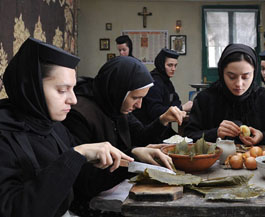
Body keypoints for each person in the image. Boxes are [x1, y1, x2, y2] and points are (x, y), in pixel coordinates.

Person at [0, 37, 133, 217]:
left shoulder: (54, 127)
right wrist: (75, 156)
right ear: (32, 87)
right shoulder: (4, 135)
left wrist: (132, 161)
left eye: (73, 89)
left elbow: (85, 183)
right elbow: (16, 209)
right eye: (62, 90)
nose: (73, 99)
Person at [62, 56, 186, 215]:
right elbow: (85, 180)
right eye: (135, 97)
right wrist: (132, 160)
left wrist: (162, 121)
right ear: (118, 89)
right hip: (88, 204)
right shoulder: (79, 114)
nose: (139, 105)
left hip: (115, 189)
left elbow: (140, 136)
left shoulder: (115, 104)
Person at [183, 44, 265, 146]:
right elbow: (188, 137)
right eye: (231, 76)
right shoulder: (205, 100)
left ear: (254, 73)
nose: (239, 84)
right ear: (221, 72)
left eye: (245, 77)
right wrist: (215, 133)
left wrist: (262, 137)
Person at [133, 48, 193, 141]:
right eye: (170, 65)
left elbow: (176, 100)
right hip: (149, 131)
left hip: (163, 129)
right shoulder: (154, 82)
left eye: (175, 65)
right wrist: (182, 108)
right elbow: (155, 111)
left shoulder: (167, 82)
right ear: (161, 65)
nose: (173, 69)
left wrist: (178, 107)